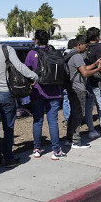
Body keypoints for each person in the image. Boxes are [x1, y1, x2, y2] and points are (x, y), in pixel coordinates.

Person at [0, 28, 39, 167]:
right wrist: (34, 76)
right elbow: (20, 67)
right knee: (8, 127)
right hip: (7, 93)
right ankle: (9, 158)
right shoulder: (7, 49)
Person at [24, 30, 66, 160]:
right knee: (53, 122)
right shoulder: (55, 52)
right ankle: (56, 150)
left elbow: (26, 70)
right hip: (55, 91)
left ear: (36, 40)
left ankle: (37, 149)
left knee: (37, 121)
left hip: (38, 91)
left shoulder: (32, 53)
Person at [66, 36, 101, 149]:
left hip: (71, 87)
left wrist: (95, 64)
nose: (86, 47)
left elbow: (83, 68)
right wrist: (98, 69)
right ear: (79, 45)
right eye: (85, 45)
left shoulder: (70, 54)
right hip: (78, 88)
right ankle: (76, 141)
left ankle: (69, 138)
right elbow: (85, 73)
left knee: (73, 113)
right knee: (78, 115)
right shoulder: (77, 56)